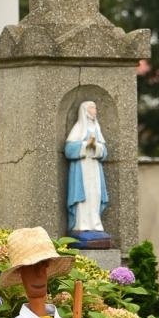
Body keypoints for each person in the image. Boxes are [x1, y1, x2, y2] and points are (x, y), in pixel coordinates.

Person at [64, 100, 108, 234]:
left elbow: (104, 151)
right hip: (82, 168)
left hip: (94, 167)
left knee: (95, 194)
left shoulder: (97, 129)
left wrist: (96, 146)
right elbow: (69, 150)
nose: (95, 111)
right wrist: (85, 145)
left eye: (95, 108)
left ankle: (95, 223)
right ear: (85, 111)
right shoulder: (79, 128)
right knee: (84, 196)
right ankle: (81, 224)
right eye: (92, 108)